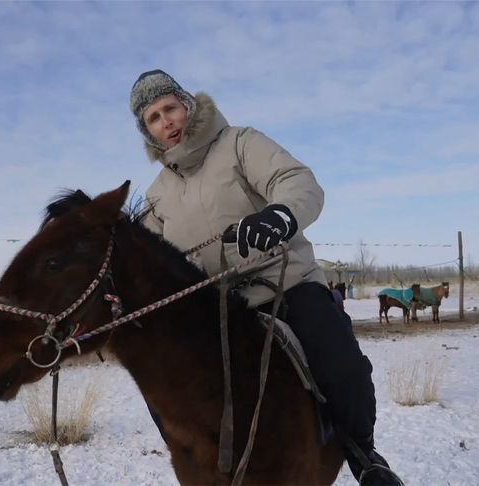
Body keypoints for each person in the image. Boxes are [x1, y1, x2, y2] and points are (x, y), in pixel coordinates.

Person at [129, 69, 402, 486]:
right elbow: (147, 263)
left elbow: (296, 181)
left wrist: (279, 215)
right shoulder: (157, 195)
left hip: (284, 283)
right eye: (153, 117)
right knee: (162, 381)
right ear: (147, 131)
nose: (165, 121)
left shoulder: (239, 143)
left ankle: (363, 452)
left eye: (169, 108)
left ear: (187, 105)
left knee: (339, 363)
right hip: (215, 308)